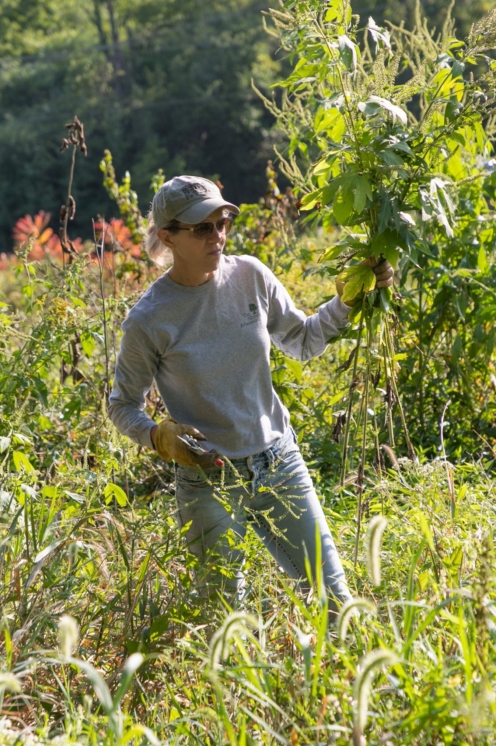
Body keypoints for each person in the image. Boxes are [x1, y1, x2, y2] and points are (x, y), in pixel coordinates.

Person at [107, 175, 393, 612]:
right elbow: (122, 405)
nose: (217, 236)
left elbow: (302, 340)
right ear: (167, 237)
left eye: (223, 222)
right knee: (226, 620)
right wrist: (157, 436)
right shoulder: (148, 319)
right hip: (208, 479)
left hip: (278, 461)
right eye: (202, 228)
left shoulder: (251, 276)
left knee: (335, 600)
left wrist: (352, 296)